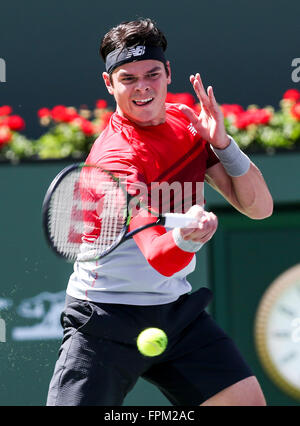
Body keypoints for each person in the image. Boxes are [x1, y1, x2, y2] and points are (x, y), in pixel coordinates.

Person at [46, 18, 273, 406]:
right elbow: (160, 257)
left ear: (168, 72)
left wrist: (222, 143)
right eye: (128, 78)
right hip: (104, 319)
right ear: (109, 84)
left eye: (152, 73)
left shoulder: (186, 125)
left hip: (174, 313)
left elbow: (259, 208)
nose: (143, 87)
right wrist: (187, 236)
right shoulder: (115, 160)